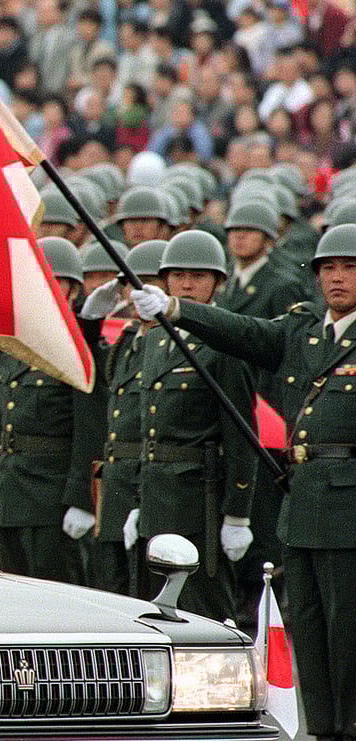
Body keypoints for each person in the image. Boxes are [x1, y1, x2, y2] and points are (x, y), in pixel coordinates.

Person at [131, 224, 356, 739]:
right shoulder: (305, 331)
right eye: (328, 268)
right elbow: (246, 333)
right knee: (311, 628)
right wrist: (175, 311)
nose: (336, 278)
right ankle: (323, 729)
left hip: (348, 506)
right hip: (303, 502)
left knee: (349, 629)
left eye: (348, 268)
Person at [126, 231, 258, 623]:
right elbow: (149, 429)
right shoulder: (156, 343)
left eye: (199, 276)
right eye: (178, 274)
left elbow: (240, 434)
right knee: (157, 613)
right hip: (157, 496)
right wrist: (138, 499)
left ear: (218, 282)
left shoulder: (222, 343)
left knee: (203, 612)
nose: (186, 284)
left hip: (199, 498)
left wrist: (237, 516)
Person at [0, 237, 105, 584]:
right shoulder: (10, 344)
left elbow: (91, 428)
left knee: (60, 594)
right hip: (10, 495)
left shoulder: (79, 348)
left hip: (52, 497)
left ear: (72, 291)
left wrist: (82, 497)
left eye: (54, 282)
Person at [79, 239, 167, 595]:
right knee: (112, 585)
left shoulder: (173, 340)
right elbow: (93, 372)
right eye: (132, 284)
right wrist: (90, 321)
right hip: (117, 483)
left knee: (149, 589)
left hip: (150, 483)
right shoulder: (129, 338)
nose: (138, 293)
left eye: (149, 283)